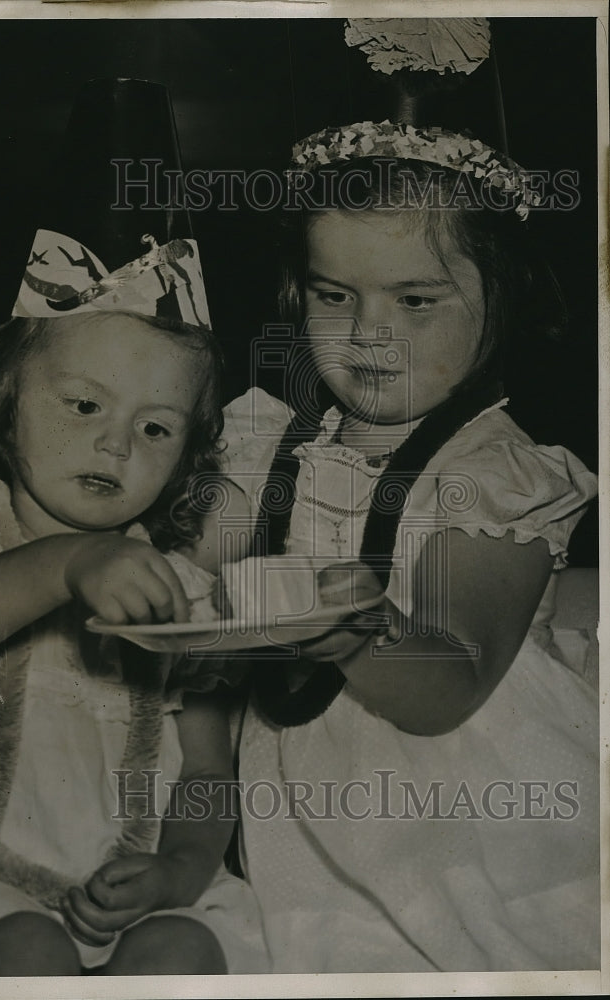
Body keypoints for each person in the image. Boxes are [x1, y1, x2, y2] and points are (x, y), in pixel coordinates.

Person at [220, 121, 600, 971]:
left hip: (478, 825)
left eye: (414, 301)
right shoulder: (260, 445)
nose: (367, 334)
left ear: (499, 298)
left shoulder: (497, 473)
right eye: (333, 296)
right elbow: (201, 583)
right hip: (300, 824)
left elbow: (446, 689)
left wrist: (349, 625)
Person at [0, 230, 266, 977]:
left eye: (155, 428)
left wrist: (176, 868)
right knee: (23, 949)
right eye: (83, 405)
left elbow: (206, 773)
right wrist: (67, 563)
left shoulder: (185, 596)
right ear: (4, 402)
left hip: (125, 885)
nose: (115, 447)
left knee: (185, 950)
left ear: (189, 455)